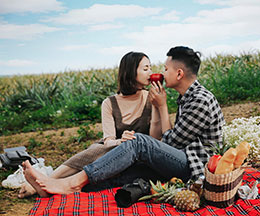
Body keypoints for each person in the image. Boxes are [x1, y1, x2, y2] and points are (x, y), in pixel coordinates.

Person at [23, 46, 226, 196]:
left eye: (165, 68)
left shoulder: (198, 100)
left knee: (137, 141)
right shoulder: (187, 97)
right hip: (183, 159)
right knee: (128, 173)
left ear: (179, 73)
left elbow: (170, 142)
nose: (161, 73)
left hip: (196, 166)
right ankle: (58, 188)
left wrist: (161, 107)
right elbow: (170, 140)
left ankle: (72, 182)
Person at [19, 51, 164, 198]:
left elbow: (155, 138)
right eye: (145, 69)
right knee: (98, 150)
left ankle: (46, 183)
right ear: (130, 71)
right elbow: (108, 141)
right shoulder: (109, 103)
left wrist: (157, 106)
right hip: (111, 153)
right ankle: (48, 182)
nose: (151, 73)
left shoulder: (151, 98)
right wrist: (121, 141)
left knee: (100, 159)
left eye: (150, 68)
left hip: (137, 157)